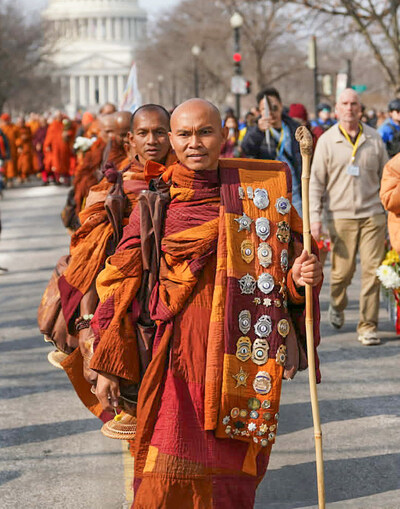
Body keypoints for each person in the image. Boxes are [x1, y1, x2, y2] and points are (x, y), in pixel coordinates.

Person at [91, 98, 322, 508]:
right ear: (172, 142)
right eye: (184, 134)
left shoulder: (257, 198)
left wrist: (300, 281)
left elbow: (281, 275)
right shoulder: (155, 204)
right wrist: (106, 361)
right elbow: (121, 282)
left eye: (205, 132)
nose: (195, 143)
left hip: (242, 356)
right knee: (162, 479)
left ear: (224, 136)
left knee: (232, 479)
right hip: (175, 360)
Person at [48, 105, 173, 420]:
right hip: (122, 281)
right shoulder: (115, 183)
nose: (152, 140)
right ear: (131, 141)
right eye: (143, 133)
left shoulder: (188, 180)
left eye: (160, 132)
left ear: (171, 137)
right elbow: (87, 235)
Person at [310, 88, 388, 345]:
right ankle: (337, 302)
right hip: (340, 217)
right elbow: (316, 183)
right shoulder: (327, 141)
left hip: (372, 216)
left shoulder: (375, 139)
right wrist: (315, 218)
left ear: (360, 108)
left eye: (354, 103)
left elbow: (387, 180)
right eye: (344, 103)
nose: (349, 108)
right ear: (336, 109)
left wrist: (391, 216)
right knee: (342, 273)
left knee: (372, 271)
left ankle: (367, 326)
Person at [241, 87, 302, 216]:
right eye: (265, 110)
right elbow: (246, 148)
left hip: (294, 189)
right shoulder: (254, 130)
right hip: (268, 191)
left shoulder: (293, 127)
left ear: (281, 105)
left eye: (274, 108)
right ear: (259, 111)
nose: (271, 113)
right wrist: (258, 131)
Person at [0, 113, 18, 187]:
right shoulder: (1, 128)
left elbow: (17, 137)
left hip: (12, 149)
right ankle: (5, 180)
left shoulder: (14, 127)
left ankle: (10, 180)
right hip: (2, 150)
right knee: (3, 166)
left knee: (11, 165)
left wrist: (19, 145)